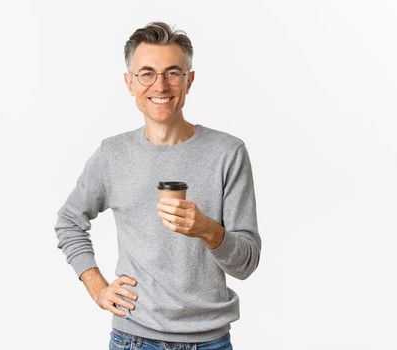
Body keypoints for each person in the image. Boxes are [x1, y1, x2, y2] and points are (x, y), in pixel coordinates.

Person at [54, 22, 261, 350]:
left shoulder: (228, 153)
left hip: (211, 341)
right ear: (130, 83)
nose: (160, 85)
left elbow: (246, 264)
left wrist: (208, 230)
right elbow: (68, 222)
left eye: (173, 73)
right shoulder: (112, 154)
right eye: (147, 73)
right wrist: (96, 286)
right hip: (134, 339)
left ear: (189, 80)